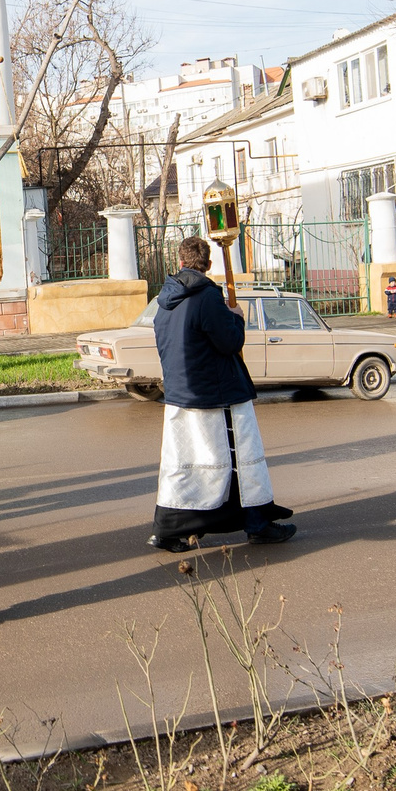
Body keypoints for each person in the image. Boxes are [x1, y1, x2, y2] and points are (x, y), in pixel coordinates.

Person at [148, 236, 297, 554]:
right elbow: (229, 343)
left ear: (180, 262)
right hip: (217, 395)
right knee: (240, 460)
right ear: (208, 265)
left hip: (179, 394)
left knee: (185, 465)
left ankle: (168, 530)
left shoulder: (164, 301)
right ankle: (257, 525)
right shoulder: (207, 297)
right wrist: (237, 318)